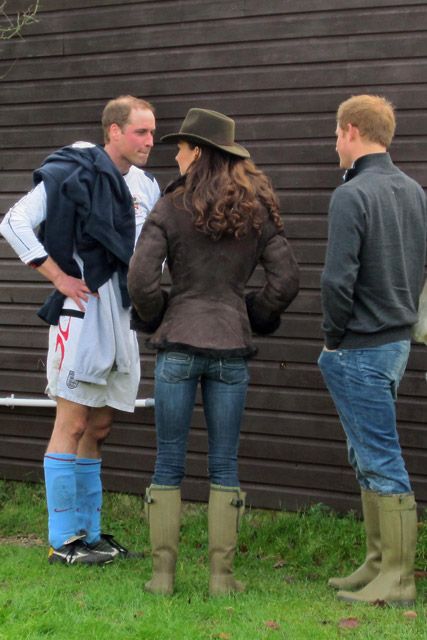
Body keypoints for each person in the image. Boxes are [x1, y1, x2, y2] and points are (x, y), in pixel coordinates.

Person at [128, 107, 299, 595]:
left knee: (168, 461)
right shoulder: (257, 208)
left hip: (178, 345)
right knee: (224, 463)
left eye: (180, 147)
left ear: (198, 152)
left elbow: (140, 279)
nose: (175, 155)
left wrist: (161, 312)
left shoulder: (169, 206)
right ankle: (222, 579)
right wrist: (255, 315)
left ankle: (162, 578)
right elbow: (285, 280)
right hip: (231, 347)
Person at [0, 95, 160, 565]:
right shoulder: (71, 172)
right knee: (70, 423)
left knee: (102, 422)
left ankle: (89, 533)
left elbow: (152, 246)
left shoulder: (148, 186)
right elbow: (14, 224)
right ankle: (62, 539)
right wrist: (59, 277)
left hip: (122, 314)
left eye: (152, 133)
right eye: (141, 132)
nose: (150, 141)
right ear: (113, 130)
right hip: (81, 312)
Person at [318, 95, 427, 605]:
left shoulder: (352, 194)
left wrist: (333, 337)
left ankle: (399, 578)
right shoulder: (413, 191)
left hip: (361, 343)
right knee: (366, 454)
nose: (334, 144)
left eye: (336, 134)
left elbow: (338, 279)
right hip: (397, 341)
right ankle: (378, 562)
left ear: (352, 130)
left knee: (380, 457)